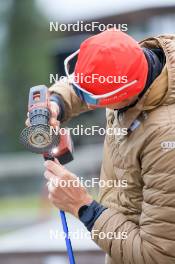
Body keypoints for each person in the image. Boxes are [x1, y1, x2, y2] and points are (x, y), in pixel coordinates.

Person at [27, 29, 175, 263]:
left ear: (126, 94)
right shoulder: (133, 64)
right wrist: (55, 104)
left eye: (93, 99)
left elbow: (158, 256)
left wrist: (82, 206)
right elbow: (83, 86)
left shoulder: (166, 141)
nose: (85, 101)